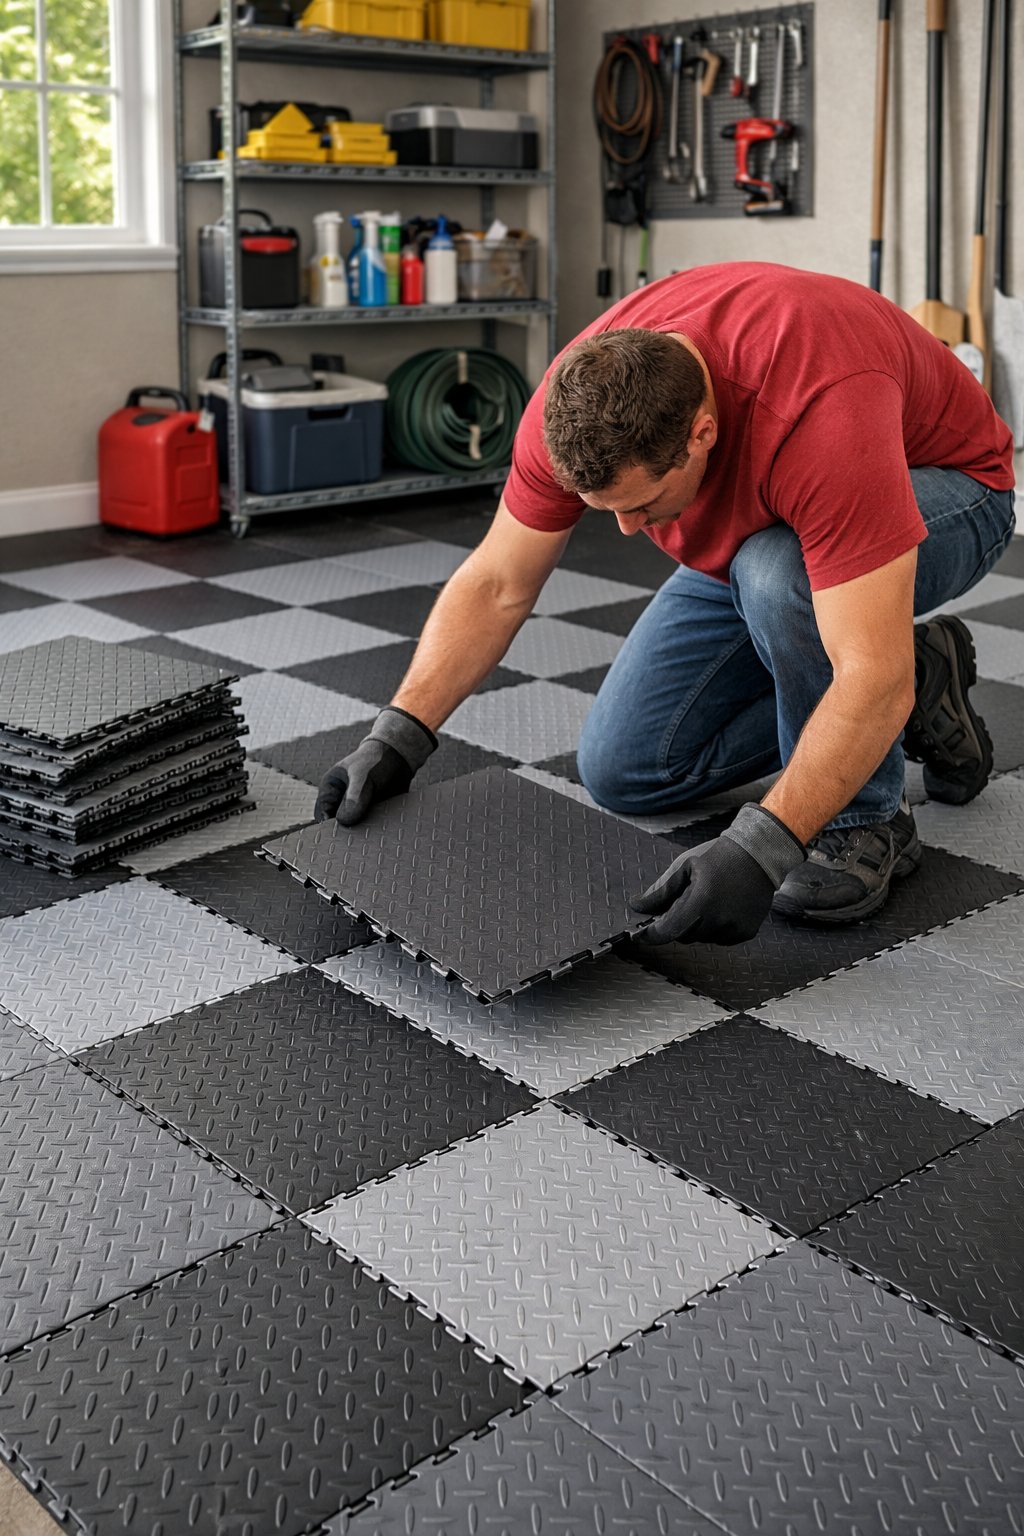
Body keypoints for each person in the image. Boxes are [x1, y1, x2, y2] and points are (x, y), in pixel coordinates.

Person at [316, 262, 1016, 947]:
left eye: (643, 504)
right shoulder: (575, 405)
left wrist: (766, 844)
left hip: (955, 491)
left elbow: (866, 669)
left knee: (781, 577)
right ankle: (917, 675)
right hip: (760, 530)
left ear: (702, 433)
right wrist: (400, 735)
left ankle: (864, 821)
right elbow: (499, 582)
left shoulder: (822, 411)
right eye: (607, 511)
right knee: (627, 769)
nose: (627, 529)